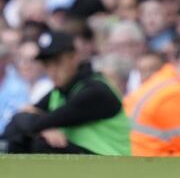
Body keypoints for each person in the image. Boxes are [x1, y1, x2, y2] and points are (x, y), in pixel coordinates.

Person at [1, 31, 130, 155]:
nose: (52, 70)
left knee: (42, 144)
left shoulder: (96, 91)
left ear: (73, 57)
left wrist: (40, 126)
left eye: (57, 62)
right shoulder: (60, 91)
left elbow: (31, 121)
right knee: (20, 138)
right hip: (89, 163)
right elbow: (20, 123)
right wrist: (40, 126)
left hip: (112, 165)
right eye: (47, 64)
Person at [123, 37, 180, 156]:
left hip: (138, 156)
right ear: (176, 62)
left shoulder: (162, 79)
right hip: (152, 163)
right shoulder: (176, 94)